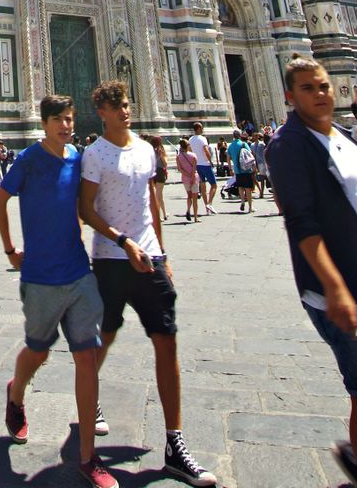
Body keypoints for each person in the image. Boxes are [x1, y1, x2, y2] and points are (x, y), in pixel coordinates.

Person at [79, 80, 215, 487]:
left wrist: (163, 254)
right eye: (117, 105)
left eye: (127, 104)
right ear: (102, 110)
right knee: (103, 336)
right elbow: (85, 207)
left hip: (151, 258)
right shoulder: (94, 154)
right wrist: (120, 241)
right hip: (111, 260)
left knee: (167, 339)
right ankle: (89, 404)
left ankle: (175, 443)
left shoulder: (145, 150)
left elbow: (151, 207)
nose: (125, 110)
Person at [0, 95, 115, 488]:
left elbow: (92, 197)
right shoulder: (28, 159)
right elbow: (1, 198)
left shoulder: (79, 157)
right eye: (58, 120)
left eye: (69, 119)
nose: (65, 126)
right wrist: (11, 250)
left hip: (78, 271)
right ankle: (17, 391)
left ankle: (87, 457)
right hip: (41, 274)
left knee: (87, 354)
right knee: (39, 351)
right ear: (44, 122)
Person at [266, 56, 357, 486]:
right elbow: (300, 219)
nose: (321, 94)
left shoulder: (345, 137)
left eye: (324, 86)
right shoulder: (287, 145)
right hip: (334, 290)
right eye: (308, 88)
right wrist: (335, 286)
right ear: (289, 95)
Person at [188, 122, 216, 215]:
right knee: (213, 185)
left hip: (197, 165)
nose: (202, 129)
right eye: (202, 127)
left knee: (203, 185)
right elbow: (206, 150)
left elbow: (190, 151)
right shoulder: (202, 138)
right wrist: (210, 161)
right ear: (199, 128)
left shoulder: (190, 139)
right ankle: (209, 203)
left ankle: (207, 209)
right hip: (205, 164)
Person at [227, 128, 255, 213]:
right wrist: (254, 166)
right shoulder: (243, 144)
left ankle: (242, 200)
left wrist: (230, 168)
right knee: (248, 188)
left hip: (237, 170)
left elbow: (228, 158)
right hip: (246, 169)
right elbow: (250, 155)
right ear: (240, 135)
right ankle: (250, 207)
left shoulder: (231, 146)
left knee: (240, 186)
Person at [175, 139, 200, 223]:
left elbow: (180, 168)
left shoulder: (178, 156)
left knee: (189, 196)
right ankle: (196, 217)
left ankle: (188, 210)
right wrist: (192, 177)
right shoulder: (193, 155)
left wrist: (187, 175)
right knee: (195, 198)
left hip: (185, 178)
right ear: (188, 146)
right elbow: (194, 168)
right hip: (194, 178)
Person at [151, 136, 169, 221]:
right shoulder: (161, 150)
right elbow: (165, 164)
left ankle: (164, 214)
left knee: (159, 195)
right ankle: (158, 215)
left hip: (152, 172)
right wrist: (161, 155)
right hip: (160, 172)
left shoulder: (149, 151)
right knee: (158, 195)